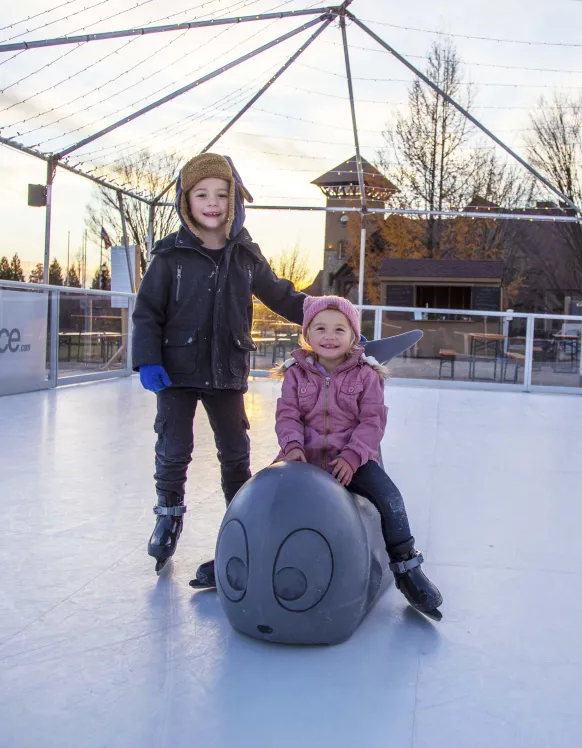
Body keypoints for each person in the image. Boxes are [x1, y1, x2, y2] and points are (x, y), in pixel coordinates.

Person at [131, 153, 306, 574]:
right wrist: (148, 361)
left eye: (222, 194)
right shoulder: (169, 256)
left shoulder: (245, 254)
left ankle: (241, 525)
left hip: (226, 369)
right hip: (175, 372)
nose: (212, 203)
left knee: (235, 452)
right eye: (202, 194)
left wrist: (326, 311)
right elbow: (147, 313)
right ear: (185, 201)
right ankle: (168, 516)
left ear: (235, 201)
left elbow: (281, 296)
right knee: (174, 449)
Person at [271, 295, 442, 620]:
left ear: (353, 336)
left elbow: (372, 421)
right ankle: (248, 556)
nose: (329, 336)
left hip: (352, 460)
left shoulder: (366, 374)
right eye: (320, 328)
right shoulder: (296, 373)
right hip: (301, 459)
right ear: (307, 334)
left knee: (390, 499)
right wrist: (292, 447)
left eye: (339, 329)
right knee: (263, 494)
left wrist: (352, 457)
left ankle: (407, 568)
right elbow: (288, 415)